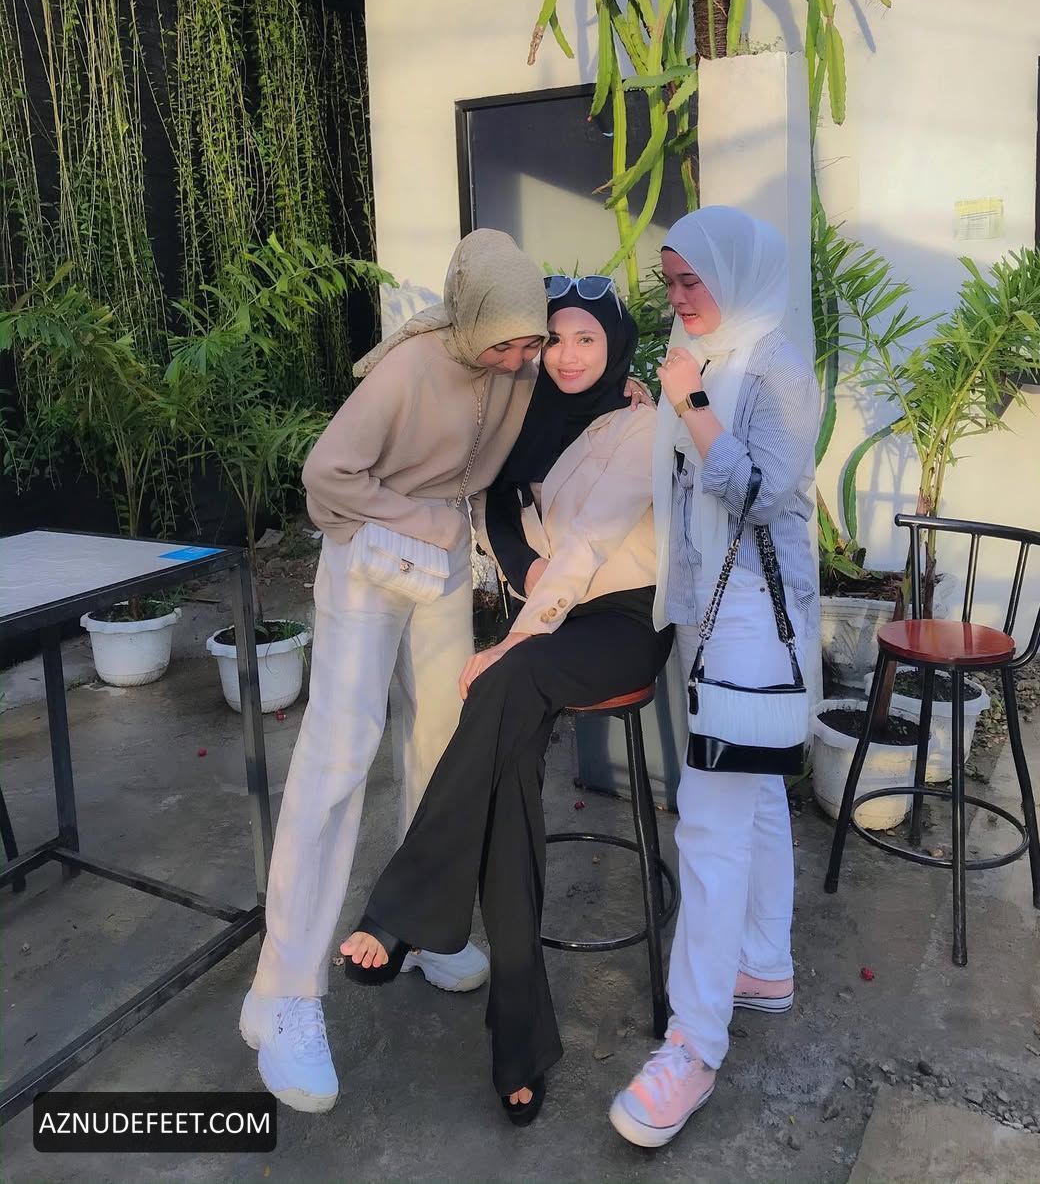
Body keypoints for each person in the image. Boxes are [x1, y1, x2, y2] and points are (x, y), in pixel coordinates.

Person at [338, 277, 672, 1125]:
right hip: (548, 622)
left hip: (619, 624)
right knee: (508, 770)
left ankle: (407, 908)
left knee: (503, 680)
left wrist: (517, 638)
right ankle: (518, 1044)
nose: (567, 356)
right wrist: (524, 590)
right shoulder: (527, 412)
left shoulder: (641, 423)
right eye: (554, 338)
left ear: (616, 346)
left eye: (588, 339)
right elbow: (495, 507)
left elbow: (586, 544)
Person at [239, 229, 550, 1113]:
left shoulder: (520, 367)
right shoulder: (408, 371)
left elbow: (572, 365)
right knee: (339, 756)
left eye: (531, 340)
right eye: (509, 341)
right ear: (472, 316)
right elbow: (324, 474)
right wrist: (421, 518)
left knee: (443, 740)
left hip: (440, 562)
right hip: (370, 559)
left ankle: (418, 920)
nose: (522, 358)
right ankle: (284, 989)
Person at [608, 207, 820, 1149]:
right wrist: (660, 404)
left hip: (754, 615)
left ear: (735, 272)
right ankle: (763, 962)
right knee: (755, 791)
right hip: (709, 604)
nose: (679, 298)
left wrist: (691, 405)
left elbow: (766, 493)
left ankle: (694, 1043)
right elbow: (687, 478)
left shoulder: (771, 366)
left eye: (692, 280)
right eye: (670, 282)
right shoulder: (703, 353)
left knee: (708, 817)